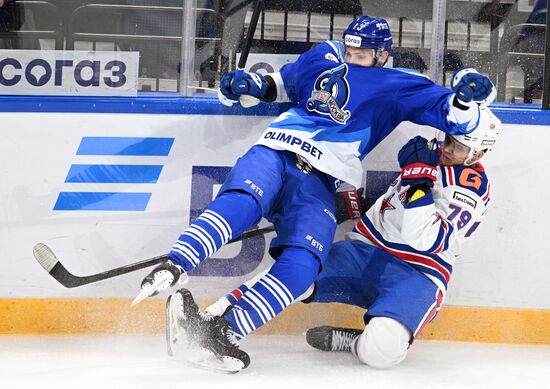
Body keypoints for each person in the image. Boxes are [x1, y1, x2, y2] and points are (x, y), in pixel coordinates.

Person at [134, 15, 496, 372]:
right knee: (243, 202)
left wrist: (465, 96)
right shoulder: (324, 54)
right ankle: (177, 264)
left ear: (383, 54)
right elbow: (280, 84)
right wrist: (249, 85)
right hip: (277, 151)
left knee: (303, 266)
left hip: (322, 182)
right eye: (350, 50)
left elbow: (454, 114)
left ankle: (223, 331)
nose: (352, 59)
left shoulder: (401, 83)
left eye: (362, 55)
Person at [200, 106, 501, 369]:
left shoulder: (471, 188)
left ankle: (354, 343)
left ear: (479, 153)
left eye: (458, 147)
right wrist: (355, 204)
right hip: (365, 250)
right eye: (449, 139)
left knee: (381, 353)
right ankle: (215, 315)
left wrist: (418, 178)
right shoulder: (431, 154)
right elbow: (396, 200)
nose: (447, 149)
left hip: (417, 273)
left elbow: (421, 239)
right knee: (296, 272)